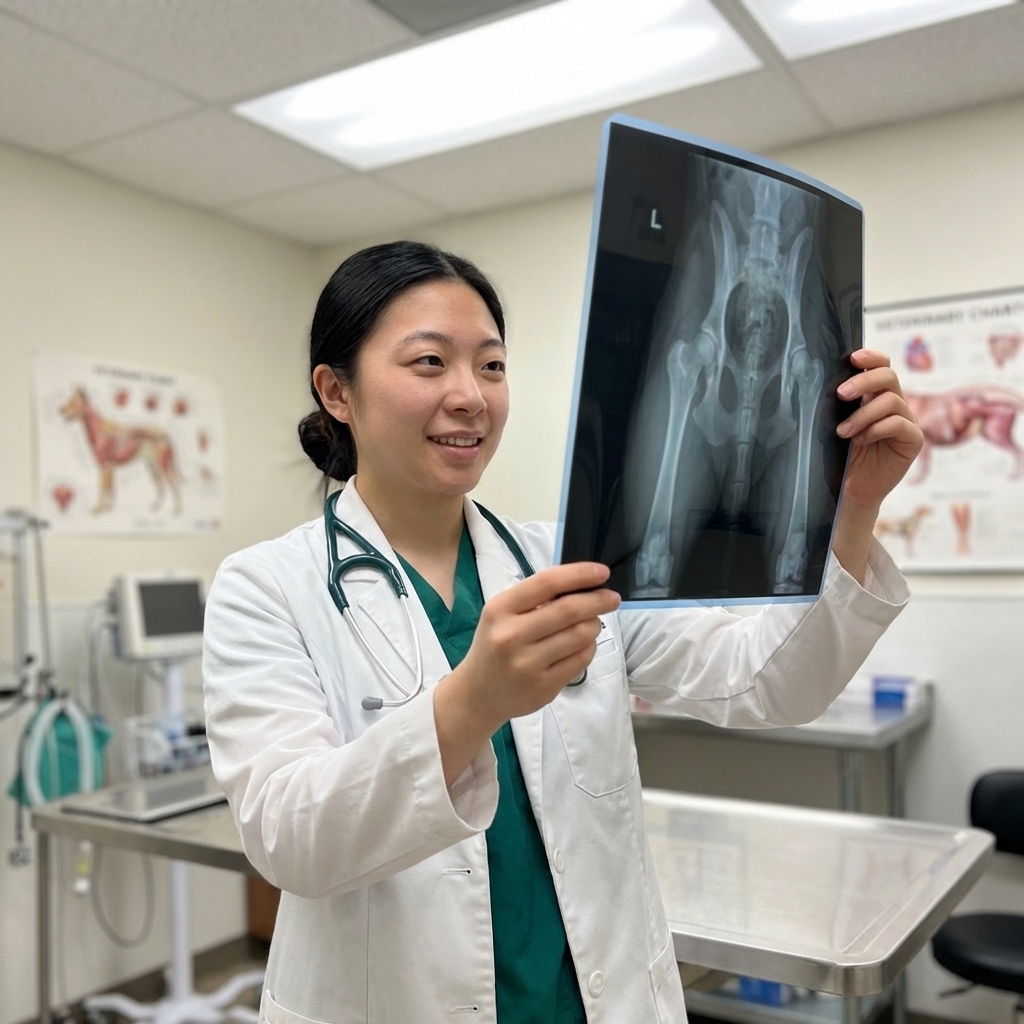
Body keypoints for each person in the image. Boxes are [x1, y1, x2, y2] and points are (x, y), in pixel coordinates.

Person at [203, 241, 922, 1024]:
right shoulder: (266, 586)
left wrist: (853, 510)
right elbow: (289, 840)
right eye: (429, 363)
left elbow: (769, 684)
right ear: (335, 391)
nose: (470, 397)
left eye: (491, 366)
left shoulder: (566, 560)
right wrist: (471, 703)